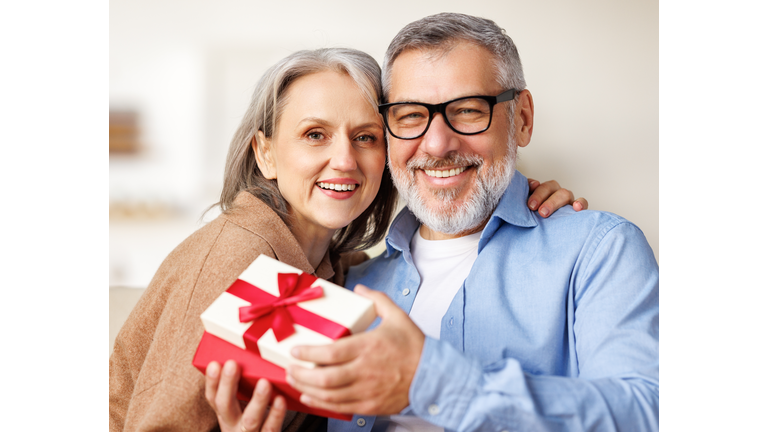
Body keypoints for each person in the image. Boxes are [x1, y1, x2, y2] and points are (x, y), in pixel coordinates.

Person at [108, 46, 584, 432]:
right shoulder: (237, 260)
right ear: (265, 154)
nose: (344, 160)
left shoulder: (343, 270)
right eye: (315, 134)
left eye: (366, 137)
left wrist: (510, 195)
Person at [283, 13, 659, 432]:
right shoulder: (348, 281)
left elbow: (648, 413)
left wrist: (432, 382)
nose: (437, 144)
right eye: (410, 115)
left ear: (522, 119)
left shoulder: (600, 251)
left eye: (466, 110)